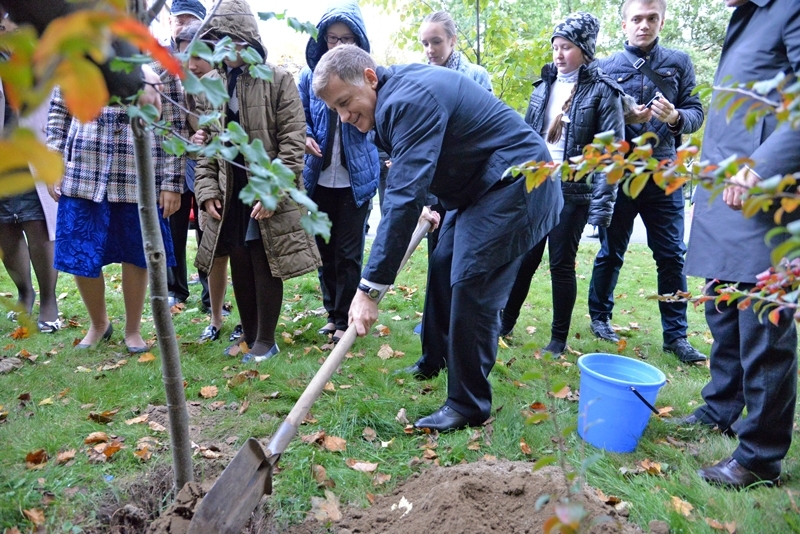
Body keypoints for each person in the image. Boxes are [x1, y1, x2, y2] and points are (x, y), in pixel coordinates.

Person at [313, 44, 562, 431]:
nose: (344, 117)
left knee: (471, 280)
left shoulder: (407, 99)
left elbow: (403, 196)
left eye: (345, 102)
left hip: (518, 182)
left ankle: (468, 404)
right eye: (336, 110)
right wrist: (430, 202)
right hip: (478, 187)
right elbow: (429, 160)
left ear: (369, 78)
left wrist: (369, 289)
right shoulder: (395, 98)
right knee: (443, 260)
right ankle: (435, 359)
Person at [680, 0, 800, 488]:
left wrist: (762, 166)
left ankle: (759, 455)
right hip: (724, 193)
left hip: (764, 194)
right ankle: (722, 407)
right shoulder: (749, 14)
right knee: (723, 310)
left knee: (762, 325)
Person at [193, 0, 321, 363]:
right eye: (215, 39)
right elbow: (206, 148)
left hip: (263, 185)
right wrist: (205, 193)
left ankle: (267, 340)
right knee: (237, 256)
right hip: (228, 189)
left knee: (264, 257)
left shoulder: (278, 80)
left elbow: (294, 143)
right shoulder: (211, 85)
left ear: (246, 37)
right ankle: (250, 337)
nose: (223, 47)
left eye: (229, 38)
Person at [586, 0, 706, 363]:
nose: (644, 25)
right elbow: (592, 120)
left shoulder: (679, 62)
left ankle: (677, 336)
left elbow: (696, 110)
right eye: (636, 19)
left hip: (664, 174)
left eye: (652, 18)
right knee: (611, 253)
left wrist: (675, 117)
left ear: (662, 21)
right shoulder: (605, 67)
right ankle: (600, 319)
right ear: (624, 25)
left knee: (672, 256)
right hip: (620, 175)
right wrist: (624, 117)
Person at [498, 13, 624, 355]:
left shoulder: (603, 92)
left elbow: (611, 155)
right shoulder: (542, 88)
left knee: (561, 265)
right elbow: (523, 140)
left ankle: (557, 339)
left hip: (572, 192)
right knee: (525, 258)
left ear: (584, 50)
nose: (558, 54)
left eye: (566, 47)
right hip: (536, 187)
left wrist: (601, 207)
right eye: (555, 47)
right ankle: (504, 323)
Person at [46, 69, 184, 351]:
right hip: (84, 168)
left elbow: (175, 124)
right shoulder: (80, 54)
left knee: (137, 252)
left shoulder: (155, 59)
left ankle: (133, 330)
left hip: (139, 170)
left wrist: (172, 181)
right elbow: (59, 110)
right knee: (80, 250)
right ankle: (98, 324)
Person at [298, 1, 379, 345]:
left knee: (348, 251)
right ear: (323, 40)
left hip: (355, 180)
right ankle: (332, 314)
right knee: (323, 250)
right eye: (333, 38)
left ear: (358, 40)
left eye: (347, 39)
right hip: (318, 178)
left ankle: (347, 318)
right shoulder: (308, 77)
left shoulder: (368, 77)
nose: (339, 45)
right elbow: (297, 114)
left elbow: (379, 126)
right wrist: (303, 134)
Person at [0, 10, 60, 333]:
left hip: (33, 153)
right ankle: (25, 292)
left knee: (37, 227)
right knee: (5, 231)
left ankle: (49, 302)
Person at [164, 0, 207, 310]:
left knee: (208, 229)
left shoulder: (210, 61)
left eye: (191, 20)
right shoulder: (159, 63)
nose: (184, 25)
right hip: (172, 157)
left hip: (206, 159)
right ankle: (175, 289)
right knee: (173, 225)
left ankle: (211, 295)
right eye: (179, 19)